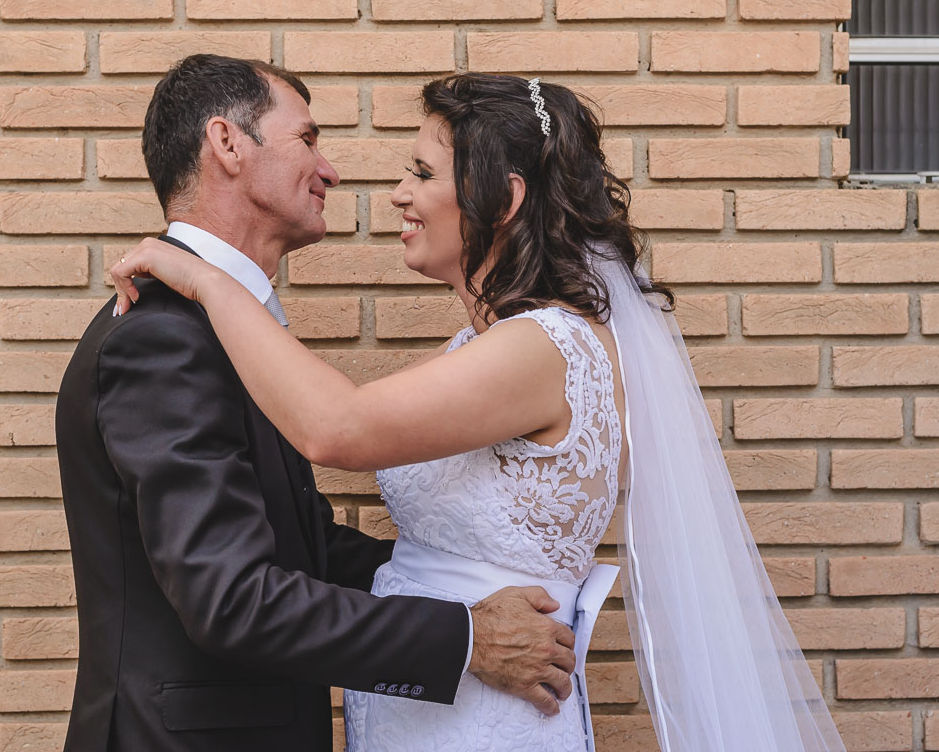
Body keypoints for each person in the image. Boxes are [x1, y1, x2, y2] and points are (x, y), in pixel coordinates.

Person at [111, 72, 850, 752]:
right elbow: (420, 553)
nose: (398, 193)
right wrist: (455, 626)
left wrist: (206, 283)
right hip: (436, 703)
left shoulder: (542, 346)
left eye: (424, 173)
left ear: (504, 198)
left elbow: (338, 427)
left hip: (484, 725)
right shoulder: (479, 345)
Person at [54, 55, 581, 752]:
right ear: (228, 144)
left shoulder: (215, 327)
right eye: (307, 139)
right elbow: (233, 599)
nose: (331, 170)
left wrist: (465, 588)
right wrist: (468, 637)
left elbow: (300, 547)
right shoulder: (160, 337)